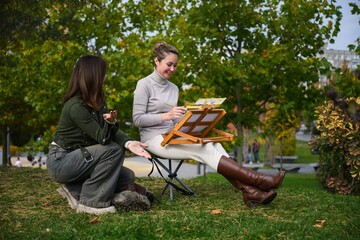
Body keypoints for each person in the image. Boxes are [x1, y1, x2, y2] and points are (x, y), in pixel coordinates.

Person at [133, 42, 286, 208]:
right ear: (157, 61)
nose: (173, 69)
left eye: (175, 65)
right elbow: (138, 119)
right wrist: (166, 115)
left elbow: (174, 121)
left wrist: (188, 117)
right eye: (169, 64)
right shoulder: (144, 84)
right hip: (154, 140)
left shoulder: (174, 88)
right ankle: (259, 180)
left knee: (213, 142)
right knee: (204, 149)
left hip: (172, 134)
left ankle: (250, 191)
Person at [47, 55, 152, 215]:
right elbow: (102, 138)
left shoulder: (97, 102)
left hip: (82, 159)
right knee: (113, 149)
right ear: (93, 75)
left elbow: (109, 132)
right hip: (61, 161)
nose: (105, 77)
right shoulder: (76, 106)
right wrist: (110, 124)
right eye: (103, 73)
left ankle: (74, 189)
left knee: (127, 176)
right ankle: (91, 203)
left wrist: (129, 143)